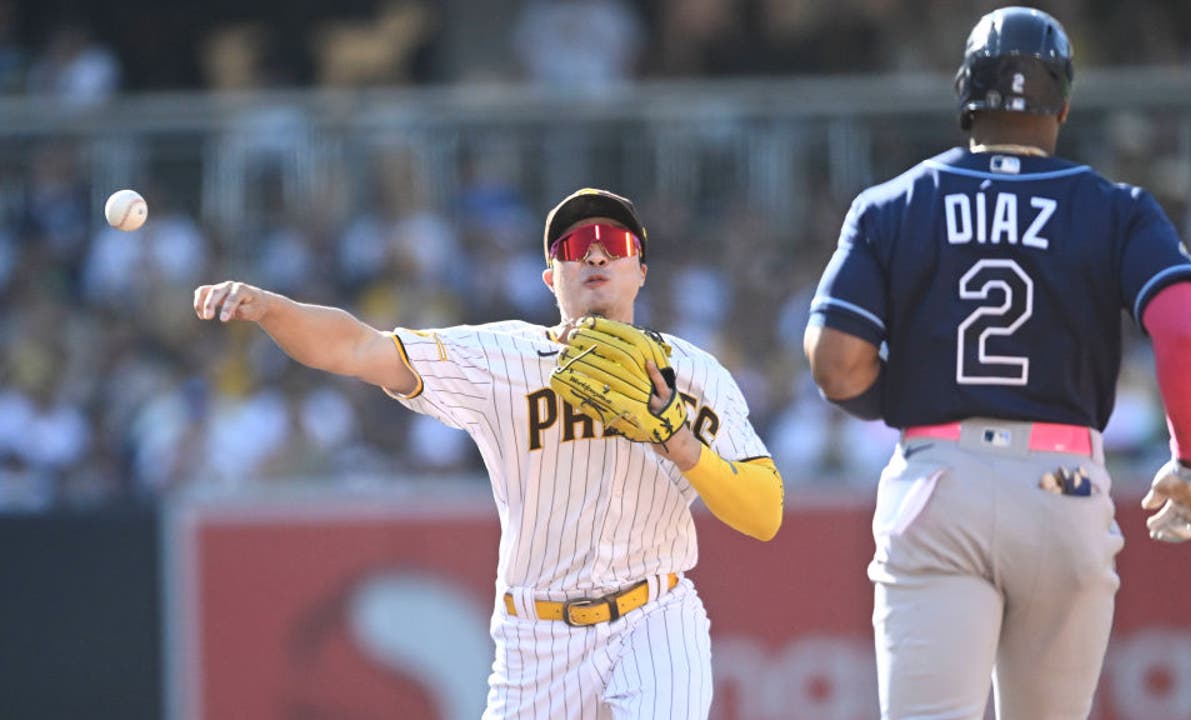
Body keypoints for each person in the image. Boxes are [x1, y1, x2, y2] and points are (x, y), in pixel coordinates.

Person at [803, 7, 1191, 719]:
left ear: (962, 93)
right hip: (1062, 485)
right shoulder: (1116, 208)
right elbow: (1188, 329)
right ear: (1064, 106)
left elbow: (837, 366)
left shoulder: (893, 202)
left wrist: (920, 395)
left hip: (938, 484)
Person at [194, 187, 784, 719]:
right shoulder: (503, 359)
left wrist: (678, 440)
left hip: (656, 614)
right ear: (551, 278)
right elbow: (358, 348)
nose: (596, 255)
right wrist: (271, 308)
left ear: (640, 271)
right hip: (538, 634)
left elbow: (764, 514)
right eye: (575, 245)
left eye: (614, 243)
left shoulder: (694, 375)